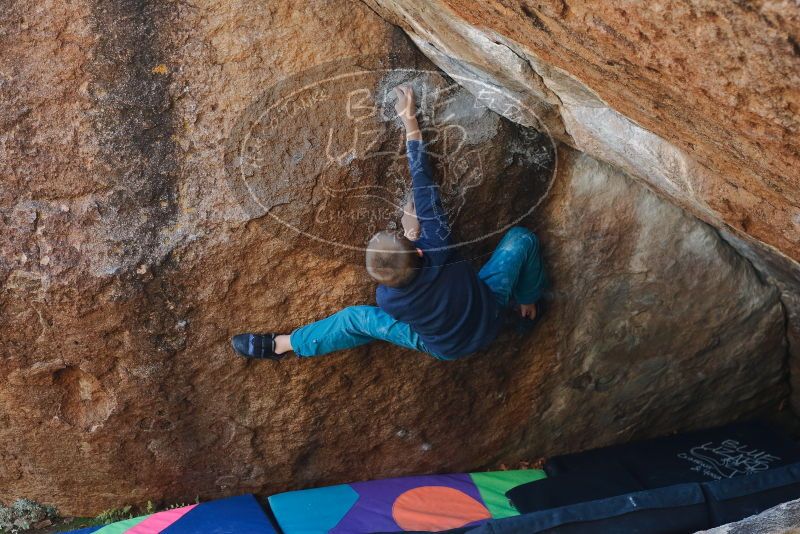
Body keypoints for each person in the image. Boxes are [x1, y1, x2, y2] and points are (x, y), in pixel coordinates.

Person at [231, 85, 547, 361]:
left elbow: (414, 281)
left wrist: (411, 234)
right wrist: (410, 121)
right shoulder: (437, 241)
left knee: (356, 319)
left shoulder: (389, 300)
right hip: (488, 312)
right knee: (521, 239)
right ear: (419, 251)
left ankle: (282, 345)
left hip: (446, 348)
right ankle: (527, 303)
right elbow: (423, 181)